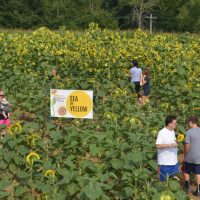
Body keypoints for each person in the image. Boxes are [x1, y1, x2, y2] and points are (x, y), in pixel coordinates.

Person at [156, 115, 179, 182]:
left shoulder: (172, 131)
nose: (176, 124)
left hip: (174, 161)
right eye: (175, 123)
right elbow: (158, 146)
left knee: (172, 179)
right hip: (165, 162)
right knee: (164, 181)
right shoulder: (162, 132)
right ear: (169, 123)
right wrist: (170, 145)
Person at [182, 116, 200, 197]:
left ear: (190, 122)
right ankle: (198, 190)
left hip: (191, 156)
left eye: (188, 123)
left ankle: (187, 186)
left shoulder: (189, 132)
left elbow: (187, 146)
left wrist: (185, 155)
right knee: (198, 172)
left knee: (186, 171)